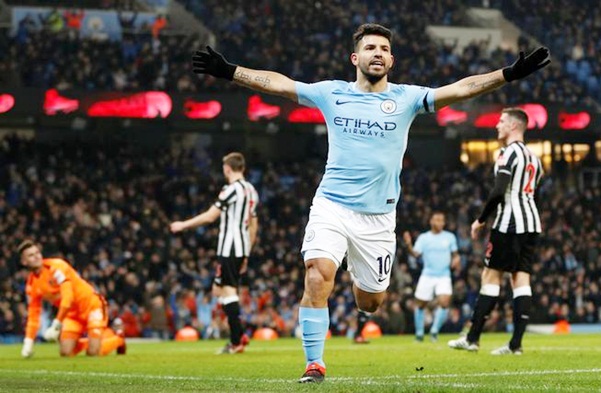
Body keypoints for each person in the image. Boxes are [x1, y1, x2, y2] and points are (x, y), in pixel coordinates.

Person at [192, 23, 549, 382]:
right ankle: (314, 364)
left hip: (378, 218)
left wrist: (508, 74)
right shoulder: (332, 93)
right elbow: (280, 84)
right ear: (355, 57)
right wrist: (231, 72)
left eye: (383, 49)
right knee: (316, 274)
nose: (377, 53)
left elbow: (461, 89)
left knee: (371, 303)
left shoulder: (408, 98)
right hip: (331, 204)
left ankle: (356, 275)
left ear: (391, 60)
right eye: (370, 48)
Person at [448, 107, 543, 355]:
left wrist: (481, 220)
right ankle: (515, 345)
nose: (497, 125)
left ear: (513, 126)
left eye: (501, 122)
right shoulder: (535, 158)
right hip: (532, 223)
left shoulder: (507, 154)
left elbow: (499, 191)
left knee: (490, 277)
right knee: (521, 279)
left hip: (508, 223)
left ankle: (472, 338)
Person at [170, 152, 259, 354]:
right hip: (241, 247)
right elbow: (254, 224)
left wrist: (183, 225)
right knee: (219, 290)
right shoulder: (251, 191)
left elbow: (210, 217)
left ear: (227, 169)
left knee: (227, 291)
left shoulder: (230, 190)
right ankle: (240, 333)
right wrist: (247, 251)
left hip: (229, 248)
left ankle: (236, 341)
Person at [18, 240, 126, 358]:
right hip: (72, 315)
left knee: (94, 353)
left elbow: (67, 297)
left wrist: (56, 324)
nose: (36, 257)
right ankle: (92, 342)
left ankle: (118, 339)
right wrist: (28, 343)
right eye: (31, 255)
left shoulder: (57, 267)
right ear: (24, 261)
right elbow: (33, 314)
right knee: (65, 353)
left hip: (92, 306)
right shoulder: (32, 284)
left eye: (37, 253)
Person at [403, 211, 460, 342]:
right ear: (431, 222)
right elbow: (415, 254)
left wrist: (456, 260)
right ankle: (419, 333)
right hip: (427, 275)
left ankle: (434, 331)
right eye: (437, 220)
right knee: (420, 304)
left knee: (444, 302)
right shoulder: (424, 238)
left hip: (444, 275)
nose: (440, 223)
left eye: (442, 220)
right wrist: (408, 245)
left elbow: (456, 254)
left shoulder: (450, 237)